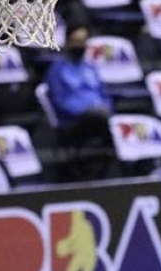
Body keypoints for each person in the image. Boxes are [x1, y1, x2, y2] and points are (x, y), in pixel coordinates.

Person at [43, 25, 114, 180]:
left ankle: (111, 171)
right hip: (72, 121)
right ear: (68, 42)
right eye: (76, 41)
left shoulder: (90, 67)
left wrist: (106, 108)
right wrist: (87, 111)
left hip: (99, 117)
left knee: (105, 120)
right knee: (99, 121)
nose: (79, 46)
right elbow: (60, 101)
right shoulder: (57, 69)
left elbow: (104, 94)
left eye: (83, 41)